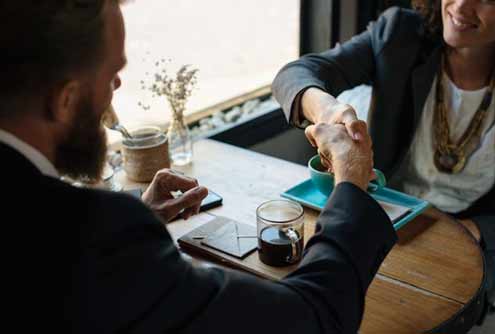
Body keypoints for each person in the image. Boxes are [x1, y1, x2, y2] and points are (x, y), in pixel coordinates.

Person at [0, 1, 397, 332]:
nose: (114, 91)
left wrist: (139, 214)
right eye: (113, 75)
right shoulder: (94, 237)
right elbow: (309, 319)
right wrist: (350, 180)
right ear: (65, 100)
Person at [272, 0, 495, 310]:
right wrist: (328, 110)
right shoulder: (400, 33)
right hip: (388, 220)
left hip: (474, 238)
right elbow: (295, 74)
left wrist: (472, 231)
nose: (461, 5)